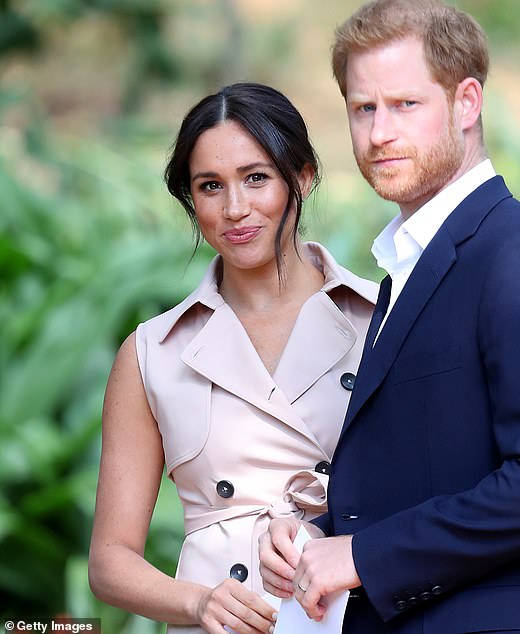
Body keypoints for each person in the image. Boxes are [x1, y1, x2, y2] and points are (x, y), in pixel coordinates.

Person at [258, 2, 520, 633]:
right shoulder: (407, 267)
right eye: (363, 109)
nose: (379, 133)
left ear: (467, 102)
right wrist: (315, 534)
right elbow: (422, 470)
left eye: (405, 105)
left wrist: (361, 555)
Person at [88, 82, 377, 634]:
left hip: (355, 613)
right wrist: (197, 603)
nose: (235, 208)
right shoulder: (153, 353)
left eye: (256, 178)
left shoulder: (381, 319)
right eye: (210, 186)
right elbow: (109, 560)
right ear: (190, 200)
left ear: (303, 176)